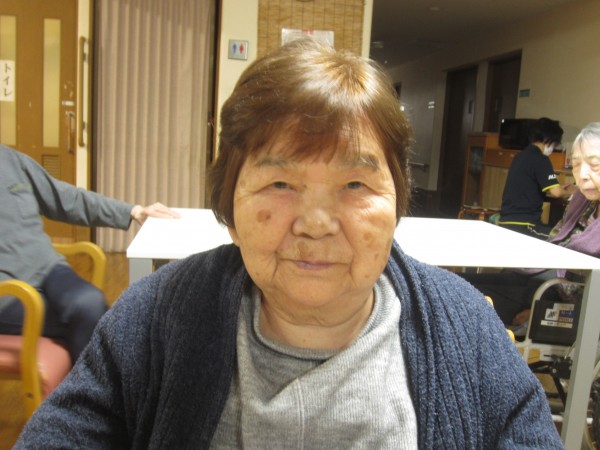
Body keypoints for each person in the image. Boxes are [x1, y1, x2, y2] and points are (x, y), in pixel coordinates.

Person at [14, 38, 563, 449]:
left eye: (355, 185)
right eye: (280, 183)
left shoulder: (466, 328)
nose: (315, 224)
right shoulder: (155, 316)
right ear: (229, 207)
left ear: (397, 202)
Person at [0, 145, 180, 363]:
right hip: (6, 290)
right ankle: (94, 384)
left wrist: (134, 211)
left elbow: (67, 198)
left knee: (90, 303)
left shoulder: (11, 159)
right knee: (91, 320)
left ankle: (100, 381)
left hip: (48, 269)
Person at [462, 122, 600, 328]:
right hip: (544, 281)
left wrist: (538, 310)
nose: (582, 175)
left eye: (594, 165)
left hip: (559, 296)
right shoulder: (583, 201)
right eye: (577, 164)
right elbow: (557, 235)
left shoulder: (523, 157)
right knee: (460, 283)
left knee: (466, 296)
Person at [497, 117, 577, 238]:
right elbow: (556, 192)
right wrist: (573, 190)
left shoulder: (520, 156)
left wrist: (560, 188)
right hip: (524, 225)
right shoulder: (541, 159)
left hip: (505, 221)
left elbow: (530, 186)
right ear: (547, 139)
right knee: (563, 238)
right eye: (555, 143)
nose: (555, 147)